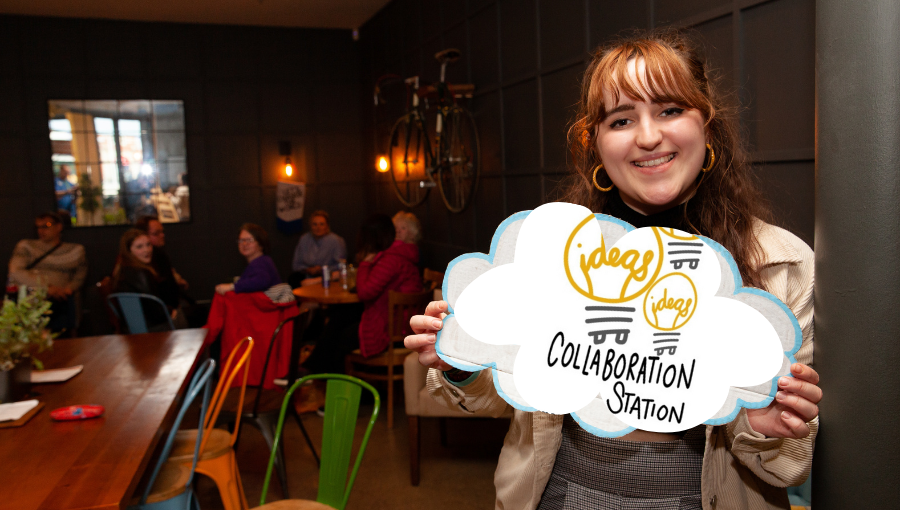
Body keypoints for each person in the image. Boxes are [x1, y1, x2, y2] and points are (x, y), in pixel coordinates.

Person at [406, 30, 821, 510]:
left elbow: (791, 463)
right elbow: (497, 397)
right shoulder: (550, 250)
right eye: (622, 119)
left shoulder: (781, 267)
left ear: (707, 124)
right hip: (561, 494)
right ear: (595, 143)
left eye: (670, 110)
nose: (648, 137)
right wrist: (463, 360)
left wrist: (762, 426)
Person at [302, 213, 423, 374]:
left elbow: (365, 292)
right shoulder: (402, 254)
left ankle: (339, 383)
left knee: (341, 334)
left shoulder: (392, 259)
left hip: (393, 328)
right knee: (340, 316)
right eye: (396, 228)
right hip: (396, 320)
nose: (398, 232)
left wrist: (365, 263)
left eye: (403, 228)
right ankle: (314, 370)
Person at [8, 212, 87, 334]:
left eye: (46, 225)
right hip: (32, 300)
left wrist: (68, 289)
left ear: (59, 227)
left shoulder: (75, 250)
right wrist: (47, 288)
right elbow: (15, 271)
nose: (41, 230)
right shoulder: (26, 246)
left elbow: (80, 275)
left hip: (62, 301)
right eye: (38, 227)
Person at [112, 229, 187, 330]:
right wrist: (169, 311)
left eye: (148, 245)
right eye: (139, 247)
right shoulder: (141, 273)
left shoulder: (121, 270)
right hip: (151, 328)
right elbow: (155, 310)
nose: (147, 250)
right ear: (128, 251)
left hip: (131, 328)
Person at [215, 223, 281, 295]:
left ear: (261, 243)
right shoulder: (263, 261)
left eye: (249, 240)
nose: (244, 244)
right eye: (241, 240)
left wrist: (232, 286)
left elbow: (262, 281)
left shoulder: (261, 262)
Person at [288, 210, 347, 287]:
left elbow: (341, 265)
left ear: (327, 226)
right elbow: (296, 264)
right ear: (310, 226)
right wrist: (308, 269)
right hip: (307, 276)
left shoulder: (336, 241)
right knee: (293, 278)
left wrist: (322, 269)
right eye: (314, 224)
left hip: (329, 276)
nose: (318, 227)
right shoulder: (304, 239)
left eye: (321, 224)